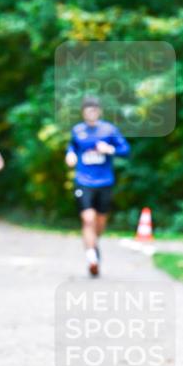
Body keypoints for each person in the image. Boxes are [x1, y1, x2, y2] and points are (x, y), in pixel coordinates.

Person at [65, 96, 131, 277]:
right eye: (88, 110)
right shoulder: (78, 130)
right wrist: (70, 155)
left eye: (94, 110)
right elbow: (71, 147)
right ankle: (91, 257)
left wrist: (110, 149)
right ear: (83, 112)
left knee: (100, 223)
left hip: (105, 182)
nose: (91, 113)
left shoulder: (109, 130)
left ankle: (94, 245)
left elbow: (126, 150)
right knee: (88, 219)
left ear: (99, 111)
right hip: (83, 181)